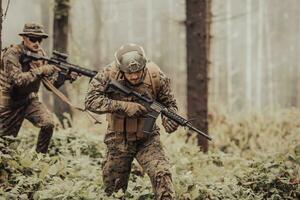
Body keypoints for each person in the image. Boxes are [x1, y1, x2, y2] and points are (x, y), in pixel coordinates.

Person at [85, 43, 179, 199]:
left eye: (138, 72)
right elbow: (90, 101)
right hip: (118, 139)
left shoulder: (156, 76)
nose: (134, 76)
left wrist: (170, 117)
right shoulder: (108, 74)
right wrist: (124, 106)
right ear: (121, 70)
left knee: (162, 175)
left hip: (147, 139)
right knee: (114, 191)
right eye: (129, 73)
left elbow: (170, 103)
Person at [0, 23, 78, 153]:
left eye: (39, 40)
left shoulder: (40, 54)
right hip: (10, 103)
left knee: (48, 124)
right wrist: (42, 70)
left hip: (30, 101)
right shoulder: (12, 53)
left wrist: (66, 77)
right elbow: (18, 80)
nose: (37, 43)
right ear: (24, 38)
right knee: (4, 144)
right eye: (32, 39)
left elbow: (50, 85)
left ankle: (39, 157)